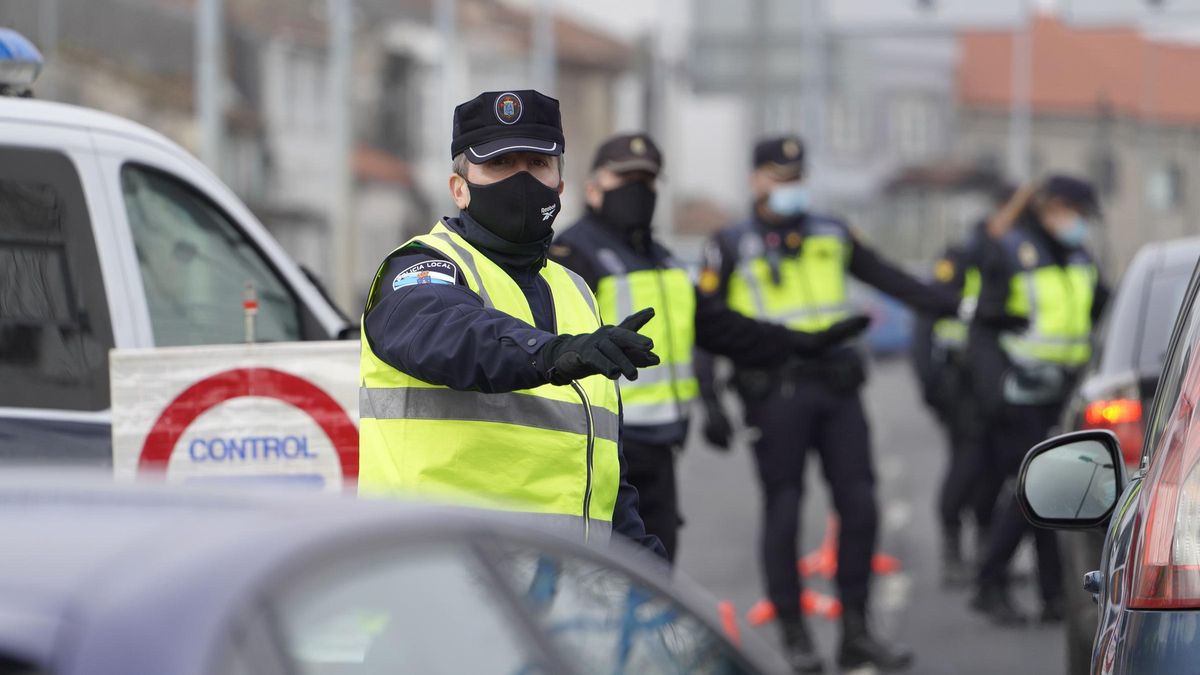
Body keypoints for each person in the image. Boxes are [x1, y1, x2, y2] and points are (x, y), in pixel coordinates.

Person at [357, 90, 665, 559]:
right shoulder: (421, 268)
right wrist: (550, 354)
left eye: (537, 165)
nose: (521, 180)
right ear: (459, 187)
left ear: (561, 184)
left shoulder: (576, 291)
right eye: (500, 165)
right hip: (437, 583)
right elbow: (446, 334)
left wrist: (648, 580)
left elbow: (601, 471)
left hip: (563, 596)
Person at [696, 135, 959, 673]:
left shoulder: (831, 233)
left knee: (861, 507)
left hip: (837, 389)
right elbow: (706, 327)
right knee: (784, 510)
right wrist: (709, 398)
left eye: (797, 177)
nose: (791, 188)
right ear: (756, 179)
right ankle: (795, 635)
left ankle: (857, 633)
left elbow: (892, 280)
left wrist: (963, 307)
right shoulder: (729, 243)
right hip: (775, 394)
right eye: (779, 177)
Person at [550, 133, 871, 563]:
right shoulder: (571, 255)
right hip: (603, 447)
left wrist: (803, 343)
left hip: (660, 448)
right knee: (609, 581)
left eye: (647, 181)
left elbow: (721, 328)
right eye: (625, 178)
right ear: (593, 187)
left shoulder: (661, 259)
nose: (638, 190)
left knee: (657, 578)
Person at [967, 174, 1109, 625]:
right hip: (1022, 392)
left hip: (1063, 390)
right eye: (1077, 214)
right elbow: (984, 327)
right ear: (1055, 208)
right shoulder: (1013, 253)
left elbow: (1098, 304)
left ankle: (1051, 595)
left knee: (1055, 492)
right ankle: (989, 583)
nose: (1080, 223)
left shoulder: (1078, 255)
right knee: (1037, 490)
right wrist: (997, 392)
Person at [910, 188, 1012, 587]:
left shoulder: (999, 264)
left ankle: (986, 550)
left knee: (993, 468)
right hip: (959, 385)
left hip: (993, 382)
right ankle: (953, 551)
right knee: (966, 465)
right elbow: (925, 325)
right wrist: (930, 384)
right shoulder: (954, 265)